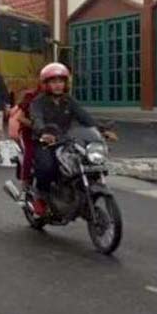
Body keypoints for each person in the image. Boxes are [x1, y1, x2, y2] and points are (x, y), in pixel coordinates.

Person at [30, 63, 112, 211]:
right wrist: (43, 132)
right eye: (53, 82)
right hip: (45, 141)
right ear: (46, 84)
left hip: (64, 140)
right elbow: (37, 119)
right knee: (47, 167)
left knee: (84, 162)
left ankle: (76, 193)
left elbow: (84, 116)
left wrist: (102, 130)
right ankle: (41, 195)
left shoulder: (69, 101)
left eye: (60, 81)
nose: (58, 85)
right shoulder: (38, 102)